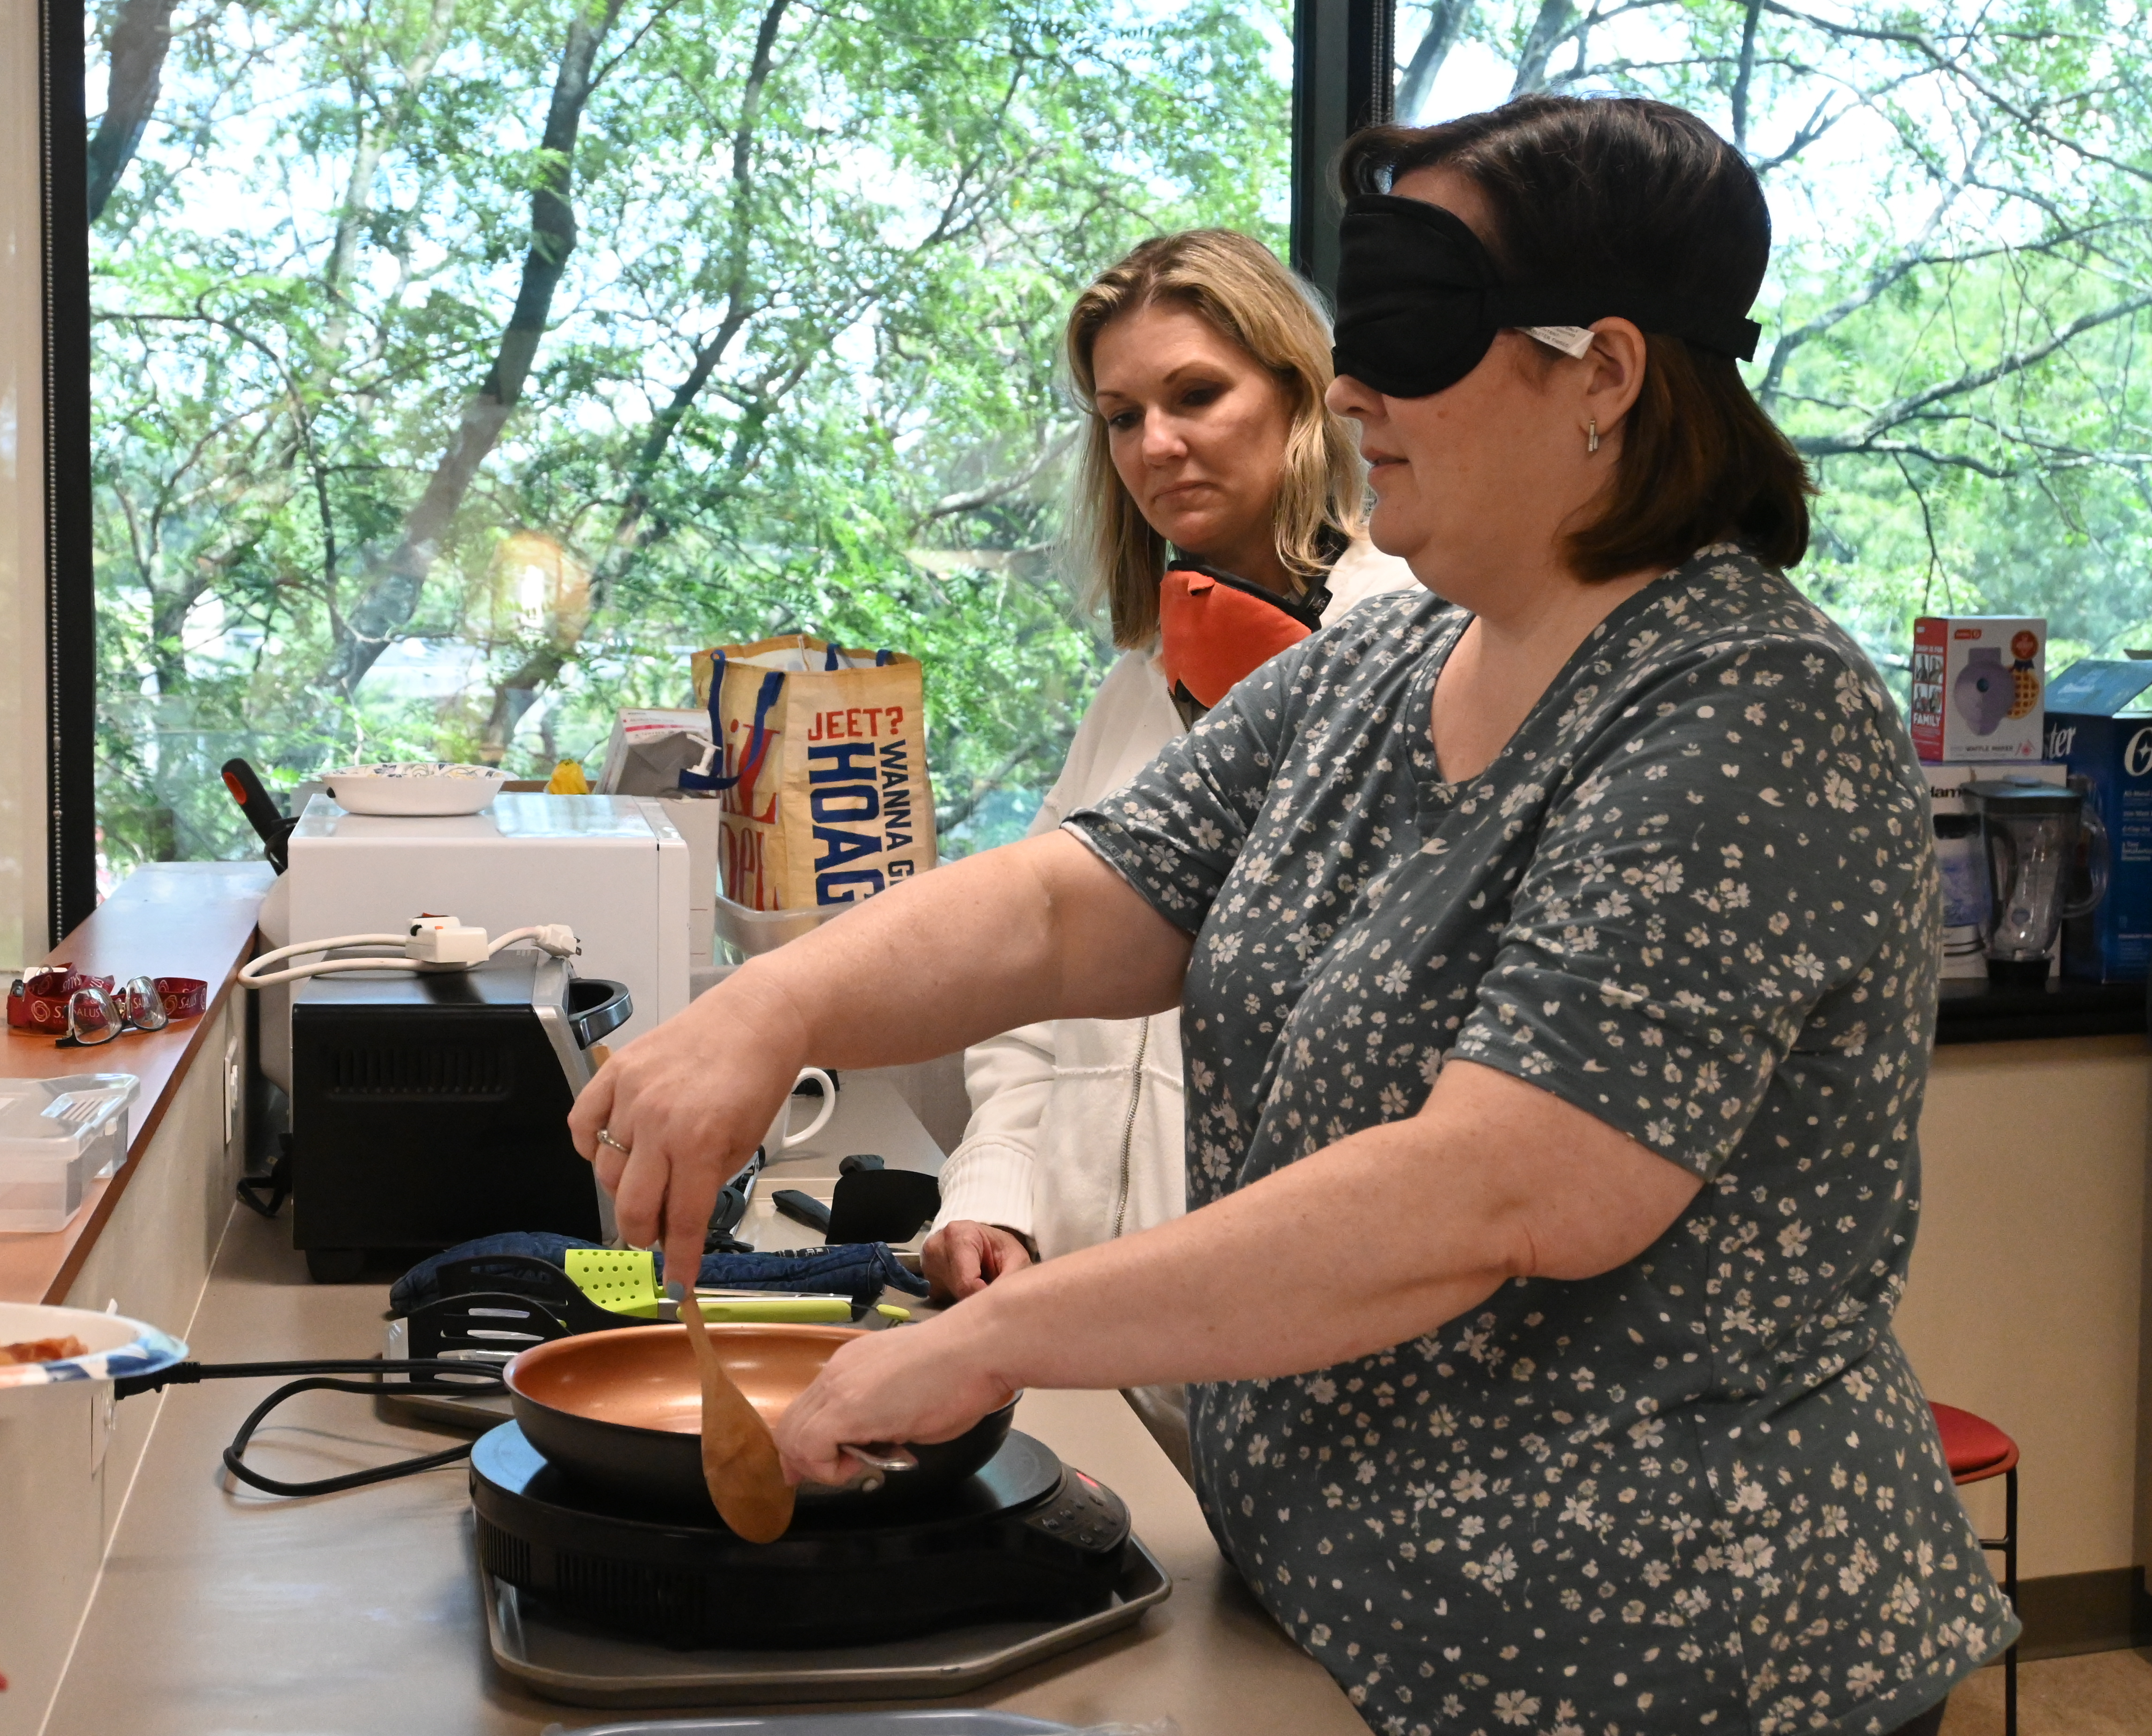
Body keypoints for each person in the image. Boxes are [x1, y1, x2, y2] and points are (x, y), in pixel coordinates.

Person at [574, 94, 2011, 1734]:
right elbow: (1077, 905)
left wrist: (999, 1339)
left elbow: (1499, 1189)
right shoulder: (1385, 665)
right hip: (1340, 1619)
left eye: (1413, 326)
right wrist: (773, 1009)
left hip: (1662, 1666)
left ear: (1604, 372)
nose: (1349, 387)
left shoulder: (1746, 706)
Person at [930, 230, 1413, 1468]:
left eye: (1197, 395)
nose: (1156, 445)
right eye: (1120, 414)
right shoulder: (1137, 688)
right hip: (1094, 1338)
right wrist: (997, 1183)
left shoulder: (1428, 660)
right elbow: (1029, 978)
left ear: (1304, 395)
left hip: (1311, 1352)